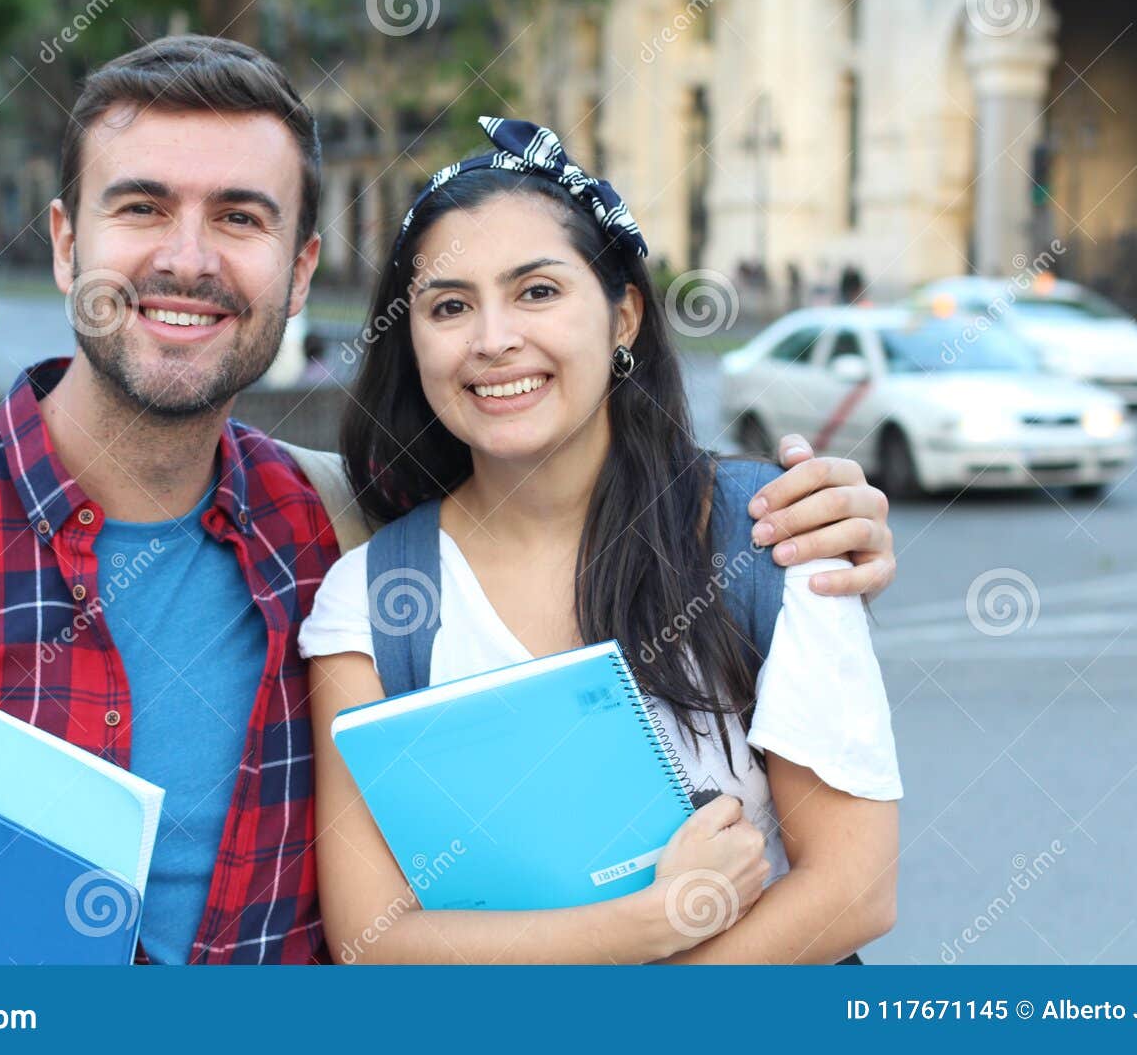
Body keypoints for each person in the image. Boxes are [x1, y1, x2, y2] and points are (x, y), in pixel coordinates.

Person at [0, 36, 897, 966]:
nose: (187, 259)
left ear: (300, 271)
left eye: (242, 218)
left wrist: (807, 516)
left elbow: (564, 497)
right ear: (64, 244)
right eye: (141, 207)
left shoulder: (336, 534)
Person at [301, 119, 901, 964]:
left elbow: (854, 886)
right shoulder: (371, 605)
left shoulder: (770, 531)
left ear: (623, 316)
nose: (494, 338)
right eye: (449, 305)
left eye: (538, 291)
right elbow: (374, 942)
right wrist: (643, 925)